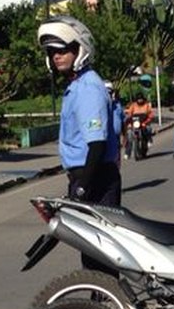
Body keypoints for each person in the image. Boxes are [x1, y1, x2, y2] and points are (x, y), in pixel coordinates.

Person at [38, 15, 121, 207]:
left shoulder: (88, 88)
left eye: (63, 50)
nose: (56, 56)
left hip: (95, 180)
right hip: (85, 177)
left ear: (80, 50)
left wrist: (83, 188)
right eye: (51, 52)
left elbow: (97, 144)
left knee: (99, 238)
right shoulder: (76, 86)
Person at [124, 91, 155, 158]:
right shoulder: (133, 105)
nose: (140, 100)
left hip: (144, 123)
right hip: (135, 124)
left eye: (141, 99)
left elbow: (151, 114)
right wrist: (129, 122)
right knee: (129, 133)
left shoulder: (146, 105)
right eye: (138, 99)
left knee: (148, 129)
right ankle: (127, 152)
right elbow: (129, 114)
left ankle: (149, 140)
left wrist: (147, 121)